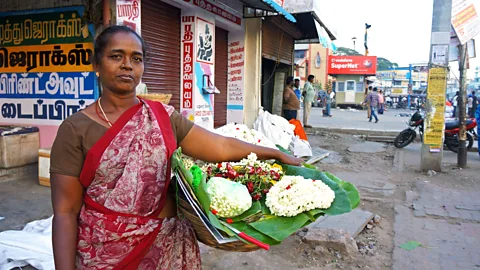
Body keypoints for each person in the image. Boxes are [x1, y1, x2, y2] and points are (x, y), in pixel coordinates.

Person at [50, 26, 302, 270]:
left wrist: (274, 153)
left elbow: (220, 145)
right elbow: (65, 212)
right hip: (104, 253)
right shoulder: (75, 129)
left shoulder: (163, 118)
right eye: (116, 56)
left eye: (136, 59)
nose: (127, 65)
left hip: (164, 248)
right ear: (96, 63)